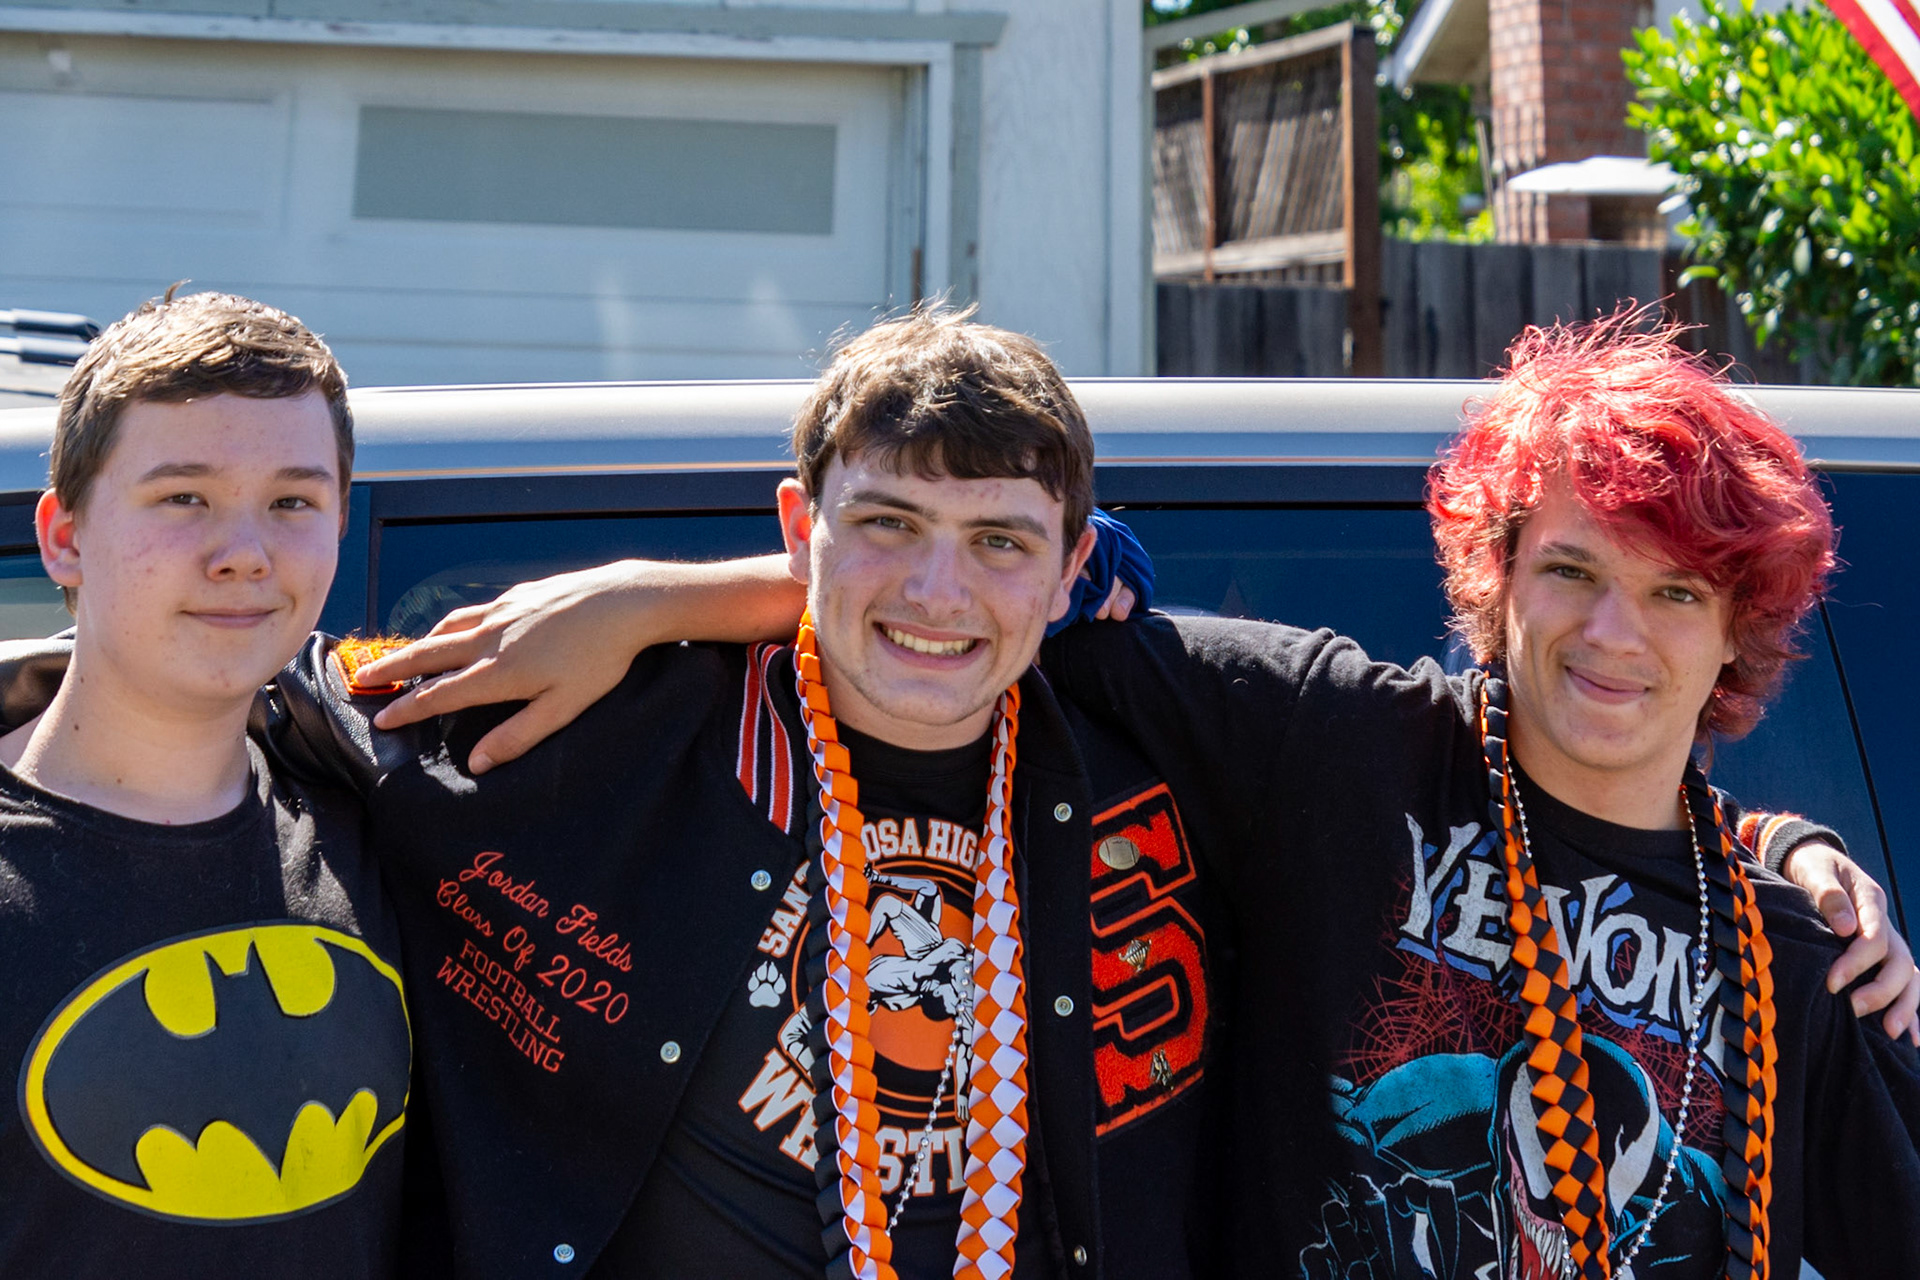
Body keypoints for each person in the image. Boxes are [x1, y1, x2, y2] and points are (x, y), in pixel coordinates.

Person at [314, 310, 1911, 1277]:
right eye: (1569, 570)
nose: (1614, 634)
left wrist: (1792, 851)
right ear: (1494, 573)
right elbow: (988, 612)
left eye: (1678, 595)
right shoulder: (1335, 743)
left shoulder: (1794, 950)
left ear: (1744, 631)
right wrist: (658, 597)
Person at [0, 292, 411, 1277]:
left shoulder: (393, 824)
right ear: (64, 537)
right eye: (184, 497)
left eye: (293, 502)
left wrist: (654, 598)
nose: (245, 554)